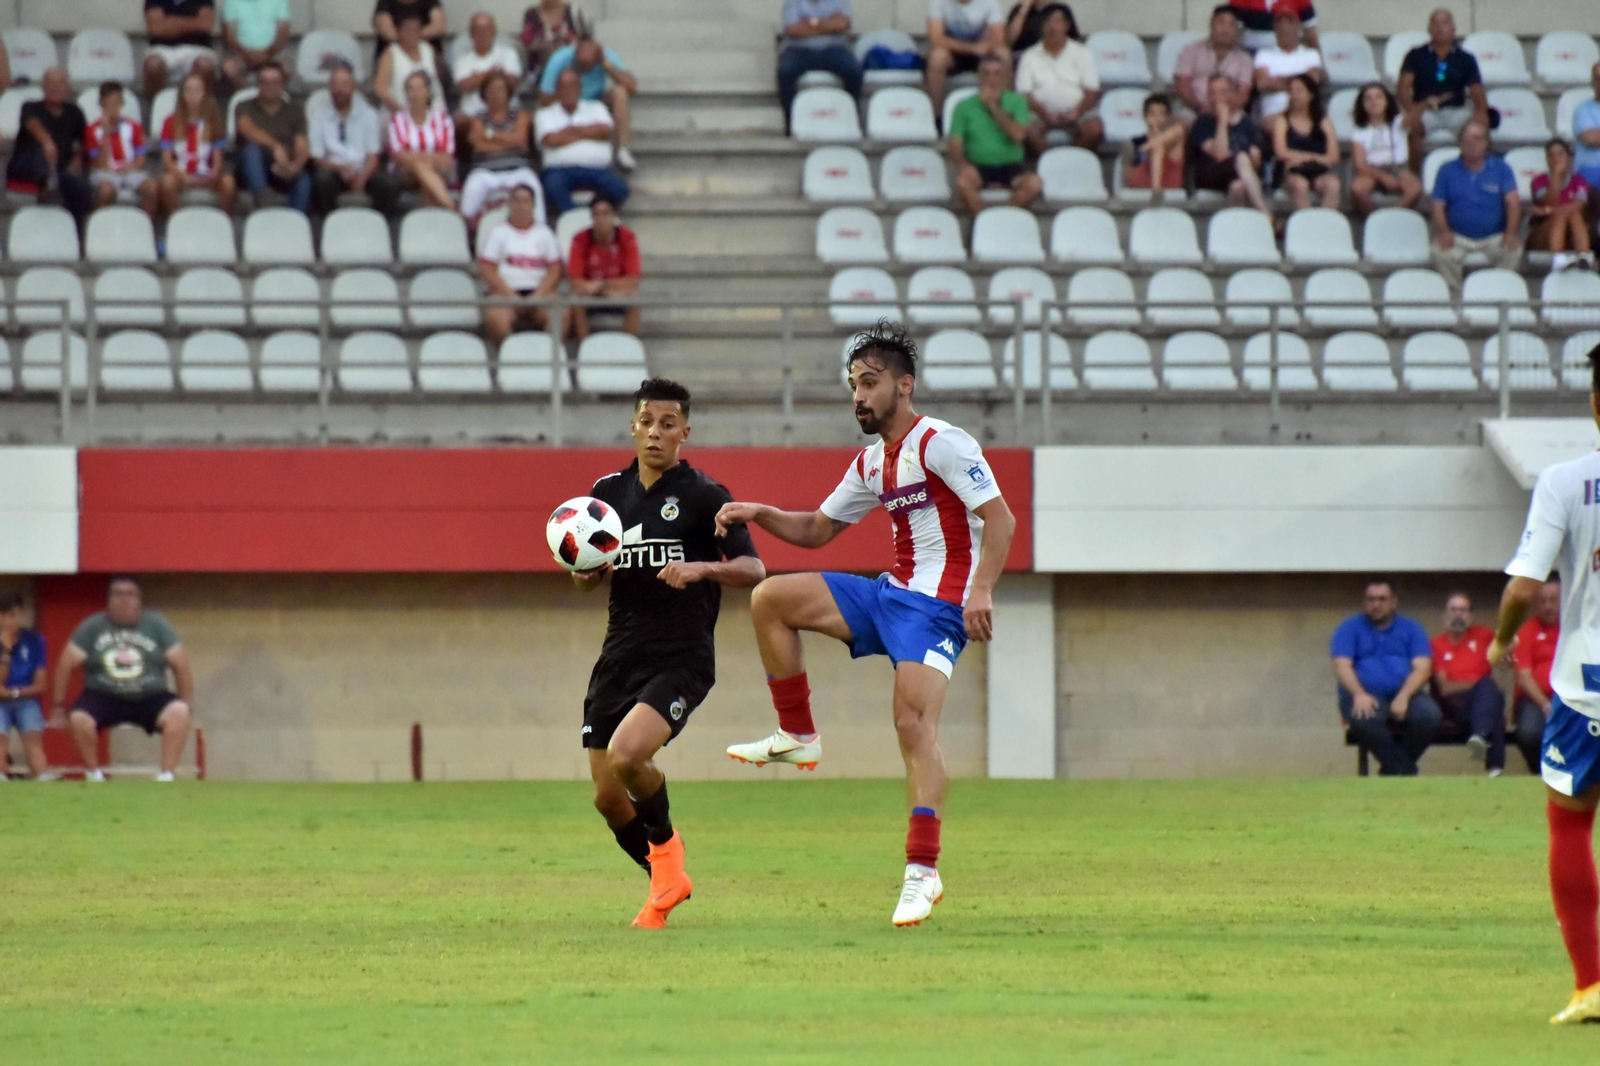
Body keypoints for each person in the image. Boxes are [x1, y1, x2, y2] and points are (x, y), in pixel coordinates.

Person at [718, 320, 1018, 927]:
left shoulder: (943, 443)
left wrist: (980, 591)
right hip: (890, 595)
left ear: (904, 386)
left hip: (937, 608)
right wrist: (760, 511)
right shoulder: (871, 462)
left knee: (911, 726)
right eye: (854, 384)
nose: (859, 395)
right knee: (771, 598)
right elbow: (817, 531)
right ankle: (799, 735)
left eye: (870, 382)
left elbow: (1001, 520)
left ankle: (922, 873)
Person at [573, 378, 765, 927]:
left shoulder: (707, 495)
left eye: (667, 423)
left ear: (685, 431)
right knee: (608, 799)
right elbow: (585, 583)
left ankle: (668, 862)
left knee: (628, 756)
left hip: (681, 656)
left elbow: (755, 569)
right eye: (646, 422)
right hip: (618, 656)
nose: (656, 432)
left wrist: (703, 567)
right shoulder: (606, 495)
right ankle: (666, 880)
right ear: (633, 426)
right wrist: (588, 573)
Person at [1484, 339, 1600, 1024]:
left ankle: (1591, 986)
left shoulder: (1564, 481)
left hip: (1585, 686)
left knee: (1569, 825)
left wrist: (1502, 640)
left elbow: (1526, 586)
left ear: (1593, 402)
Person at [49, 577, 195, 784]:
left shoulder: (157, 625)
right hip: (102, 695)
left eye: (130, 594)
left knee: (179, 712)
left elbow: (181, 664)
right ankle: (94, 774)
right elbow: (65, 664)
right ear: (109, 600)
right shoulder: (93, 626)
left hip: (150, 695)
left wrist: (187, 704)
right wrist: (58, 706)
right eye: (118, 594)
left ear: (139, 601)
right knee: (79, 718)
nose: (124, 600)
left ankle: (167, 775)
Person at [1330, 579, 1443, 777]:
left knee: (1430, 716)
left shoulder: (1411, 628)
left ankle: (1392, 770)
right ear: (1364, 602)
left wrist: (1404, 696)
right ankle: (1402, 770)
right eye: (1371, 599)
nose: (1376, 604)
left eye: (1382, 599)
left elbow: (1423, 668)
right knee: (1365, 718)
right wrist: (1358, 694)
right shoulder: (1349, 628)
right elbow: (1341, 665)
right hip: (1363, 694)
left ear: (1393, 602)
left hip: (1406, 693)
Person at [1428, 120, 1521, 291]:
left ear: (1486, 143)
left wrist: (1511, 233)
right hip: (1458, 237)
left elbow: (1513, 203)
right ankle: (1457, 296)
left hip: (1493, 237)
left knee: (1513, 250)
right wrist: (1443, 232)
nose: (1472, 143)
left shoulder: (1501, 168)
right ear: (1459, 143)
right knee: (1439, 251)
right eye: (1467, 138)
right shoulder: (1446, 170)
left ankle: (1497, 294)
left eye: (1477, 138)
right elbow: (1437, 205)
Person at [1398, 8, 1489, 178]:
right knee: (1413, 126)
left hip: (1457, 111)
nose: (1440, 28)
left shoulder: (1466, 59)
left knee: (1479, 127)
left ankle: (1477, 176)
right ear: (1429, 29)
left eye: (1445, 23)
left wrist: (1481, 114)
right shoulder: (1415, 55)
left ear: (1453, 29)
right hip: (1425, 111)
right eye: (1435, 23)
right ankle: (1415, 179)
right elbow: (1402, 89)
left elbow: (1477, 91)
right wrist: (1413, 112)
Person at [948, 54, 1042, 214]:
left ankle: (1003, 218)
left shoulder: (1018, 102)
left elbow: (1018, 135)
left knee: (1034, 184)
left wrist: (993, 106)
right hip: (978, 166)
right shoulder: (963, 106)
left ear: (1005, 78)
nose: (991, 79)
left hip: (1011, 167)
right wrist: (964, 166)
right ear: (978, 77)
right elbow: (954, 144)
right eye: (986, 73)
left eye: (997, 73)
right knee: (963, 183)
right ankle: (983, 222)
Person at [1430, 592, 1507, 776]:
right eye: (1453, 610)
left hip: (1481, 703)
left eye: (1463, 610)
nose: (1458, 615)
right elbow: (1445, 687)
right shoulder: (1436, 644)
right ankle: (1492, 763)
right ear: (1445, 615)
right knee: (1490, 693)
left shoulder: (1484, 635)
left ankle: (1481, 739)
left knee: (1490, 698)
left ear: (1470, 616)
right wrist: (1478, 682)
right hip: (1454, 705)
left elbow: (1508, 650)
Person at [536, 68, 630, 216]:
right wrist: (590, 132)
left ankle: (598, 218)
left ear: (579, 89)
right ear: (557, 90)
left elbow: (606, 131)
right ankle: (573, 219)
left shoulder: (596, 107)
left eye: (572, 86)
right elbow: (551, 139)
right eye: (564, 86)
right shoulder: (545, 114)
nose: (568, 91)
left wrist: (571, 131)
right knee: (552, 186)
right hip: (560, 171)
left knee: (619, 189)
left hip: (597, 169)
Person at [309, 63, 399, 217]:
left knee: (389, 185)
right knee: (321, 180)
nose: (339, 90)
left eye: (344, 84)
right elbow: (316, 158)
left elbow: (373, 155)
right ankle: (329, 224)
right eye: (335, 84)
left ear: (353, 87)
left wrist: (362, 178)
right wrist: (339, 168)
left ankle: (376, 225)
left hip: (363, 169)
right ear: (329, 87)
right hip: (333, 169)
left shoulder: (369, 114)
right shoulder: (319, 115)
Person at [478, 183, 562, 345]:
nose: (521, 206)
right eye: (516, 201)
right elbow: (487, 269)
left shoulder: (545, 233)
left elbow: (555, 269)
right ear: (509, 204)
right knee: (495, 317)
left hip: (540, 293)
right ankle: (511, 359)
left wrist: (538, 295)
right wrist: (510, 295)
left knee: (561, 314)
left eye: (526, 201)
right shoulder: (498, 232)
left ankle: (548, 358)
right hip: (505, 293)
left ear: (533, 205)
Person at [539, 34, 638, 171]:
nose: (586, 68)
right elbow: (544, 97)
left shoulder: (605, 56)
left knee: (620, 92)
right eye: (582, 64)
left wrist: (607, 64)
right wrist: (568, 86)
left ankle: (622, 150)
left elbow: (631, 86)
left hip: (596, 103)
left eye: (589, 65)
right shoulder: (559, 59)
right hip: (567, 103)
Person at [5, 68, 90, 227]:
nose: (55, 87)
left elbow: (85, 141)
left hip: (62, 170)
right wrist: (46, 142)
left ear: (68, 87)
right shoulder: (30, 107)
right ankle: (47, 187)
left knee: (82, 189)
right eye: (50, 83)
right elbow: (32, 124)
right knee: (41, 156)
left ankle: (75, 235)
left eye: (60, 83)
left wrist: (77, 160)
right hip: (29, 169)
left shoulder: (75, 112)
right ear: (43, 87)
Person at [1014, 3, 1101, 149]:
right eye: (1047, 22)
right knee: (1027, 128)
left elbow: (1092, 91)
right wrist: (1044, 112)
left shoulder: (1082, 53)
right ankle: (1049, 163)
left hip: (1077, 112)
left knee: (1094, 129)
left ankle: (1073, 160)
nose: (1051, 26)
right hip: (1039, 114)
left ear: (1067, 26)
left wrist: (1077, 111)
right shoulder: (1029, 56)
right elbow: (1024, 94)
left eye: (1057, 21)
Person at [461, 70, 543, 225]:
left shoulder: (521, 116)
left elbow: (520, 140)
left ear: (508, 93)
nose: (496, 94)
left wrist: (490, 134)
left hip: (518, 171)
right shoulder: (478, 119)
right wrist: (509, 140)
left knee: (533, 183)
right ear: (484, 94)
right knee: (473, 186)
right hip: (485, 172)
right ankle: (466, 230)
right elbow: (479, 146)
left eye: (500, 89)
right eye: (491, 90)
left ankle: (540, 226)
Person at [158, 70, 236, 221]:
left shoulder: (213, 121)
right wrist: (183, 176)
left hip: (206, 173)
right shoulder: (170, 122)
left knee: (228, 182)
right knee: (167, 183)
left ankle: (223, 222)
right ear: (182, 94)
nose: (193, 95)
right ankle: (178, 220)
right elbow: (167, 160)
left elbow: (218, 159)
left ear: (205, 94)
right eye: (188, 90)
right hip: (181, 174)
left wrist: (212, 175)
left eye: (198, 90)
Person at [234, 60, 310, 213]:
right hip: (250, 169)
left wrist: (295, 167)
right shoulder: (244, 106)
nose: (270, 87)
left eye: (275, 82)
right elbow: (245, 128)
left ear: (284, 84)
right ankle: (265, 205)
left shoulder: (295, 110)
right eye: (265, 82)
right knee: (251, 151)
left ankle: (294, 224)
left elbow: (302, 145)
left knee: (304, 180)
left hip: (284, 167)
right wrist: (276, 147)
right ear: (257, 84)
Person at [777, 0, 862, 134]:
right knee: (785, 72)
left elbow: (843, 24)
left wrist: (810, 23)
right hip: (799, 50)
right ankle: (790, 124)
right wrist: (828, 24)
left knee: (854, 71)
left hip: (833, 48)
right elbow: (792, 29)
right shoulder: (794, 2)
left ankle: (852, 118)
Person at [1187, 74, 1269, 211]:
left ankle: (1236, 228)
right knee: (1241, 157)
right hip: (1212, 174)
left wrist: (1252, 160)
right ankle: (1264, 211)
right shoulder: (1203, 123)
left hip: (1240, 176)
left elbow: (1256, 158)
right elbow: (1220, 155)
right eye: (1212, 93)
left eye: (1222, 92)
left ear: (1232, 94)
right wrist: (1222, 122)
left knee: (1238, 187)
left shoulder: (1247, 123)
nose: (1217, 98)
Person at [568, 193, 641, 339]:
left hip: (612, 291)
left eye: (605, 214)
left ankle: (627, 347)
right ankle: (585, 349)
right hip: (590, 293)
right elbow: (575, 281)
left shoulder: (627, 237)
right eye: (596, 215)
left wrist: (602, 286)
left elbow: (633, 279)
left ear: (615, 216)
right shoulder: (580, 239)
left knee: (635, 300)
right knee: (575, 300)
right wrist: (592, 289)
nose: (601, 219)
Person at [1511, 580, 1560, 776]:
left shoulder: (1574, 629)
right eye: (1542, 601)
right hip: (1534, 699)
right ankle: (1540, 771)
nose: (1547, 606)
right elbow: (1523, 675)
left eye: (1553, 600)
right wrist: (1545, 705)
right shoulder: (1527, 630)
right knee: (1529, 733)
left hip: (1571, 697)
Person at [86, 82, 158, 215]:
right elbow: (98, 164)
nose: (114, 108)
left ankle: (145, 226)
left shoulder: (134, 127)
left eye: (117, 103)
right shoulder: (92, 130)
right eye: (109, 104)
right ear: (101, 104)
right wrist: (106, 134)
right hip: (105, 173)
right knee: (105, 191)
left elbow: (141, 159)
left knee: (151, 187)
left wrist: (130, 167)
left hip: (130, 170)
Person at [1349, 82, 1422, 214]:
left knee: (1414, 187)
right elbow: (1360, 164)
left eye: (1378, 97)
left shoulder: (1398, 122)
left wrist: (1425, 102)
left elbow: (1412, 117)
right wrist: (1382, 176)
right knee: (1358, 189)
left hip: (1397, 167)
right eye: (1368, 98)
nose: (1374, 102)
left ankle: (1393, 216)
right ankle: (1373, 217)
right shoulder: (1359, 131)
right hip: (1372, 169)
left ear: (1387, 101)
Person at [388, 71, 456, 209]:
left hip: (438, 169)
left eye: (420, 88)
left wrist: (421, 160)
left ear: (428, 92)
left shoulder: (442, 119)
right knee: (419, 166)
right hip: (405, 173)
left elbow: (446, 157)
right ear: (406, 94)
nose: (415, 93)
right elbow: (399, 155)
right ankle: (452, 208)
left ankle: (436, 217)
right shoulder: (397, 120)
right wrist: (425, 160)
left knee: (423, 172)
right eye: (411, 89)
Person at [1269, 73, 1339, 209]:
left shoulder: (1324, 123)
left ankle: (1328, 225)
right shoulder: (1282, 121)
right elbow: (1281, 152)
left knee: (1333, 184)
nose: (1295, 95)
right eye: (1292, 91)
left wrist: (1306, 158)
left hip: (1317, 171)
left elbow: (1334, 156)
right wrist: (1317, 158)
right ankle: (1305, 225)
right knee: (1300, 185)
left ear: (1311, 95)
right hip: (1291, 171)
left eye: (1300, 90)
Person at [926, 0, 1007, 115]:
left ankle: (1007, 113)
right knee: (937, 57)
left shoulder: (989, 2)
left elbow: (999, 37)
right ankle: (937, 117)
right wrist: (972, 48)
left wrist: (984, 46)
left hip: (982, 52)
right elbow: (935, 38)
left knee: (1003, 54)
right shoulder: (938, 2)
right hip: (952, 53)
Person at [0, 591, 48, 781]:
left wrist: (14, 693)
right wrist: (6, 650)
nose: (16, 620)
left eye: (19, 615)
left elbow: (41, 684)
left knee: (34, 743)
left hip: (25, 698)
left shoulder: (35, 640)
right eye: (10, 616)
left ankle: (41, 776)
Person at [1173, 6, 1253, 118]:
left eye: (1231, 24)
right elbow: (1182, 84)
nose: (1225, 29)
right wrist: (1199, 107)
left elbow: (1243, 94)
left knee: (1242, 125)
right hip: (1192, 109)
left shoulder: (1244, 59)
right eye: (1221, 22)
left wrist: (1224, 112)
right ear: (1211, 24)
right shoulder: (1191, 51)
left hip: (1230, 111)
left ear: (1236, 30)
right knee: (1181, 125)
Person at [1528, 139, 1594, 272]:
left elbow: (1577, 206)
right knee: (1560, 216)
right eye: (1551, 155)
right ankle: (1558, 259)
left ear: (1568, 157)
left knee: (1573, 214)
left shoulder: (1579, 181)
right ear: (1547, 159)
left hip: (1570, 232)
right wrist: (1556, 177)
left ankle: (1584, 256)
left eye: (1560, 154)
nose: (1556, 158)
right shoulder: (1538, 181)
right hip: (1542, 233)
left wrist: (1547, 210)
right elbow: (1550, 200)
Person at [1251, 4, 1323, 121]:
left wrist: (1276, 81)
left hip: (1305, 115)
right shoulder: (1264, 54)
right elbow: (1262, 83)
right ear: (1275, 28)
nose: (1285, 28)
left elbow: (1313, 82)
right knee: (1280, 125)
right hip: (1273, 115)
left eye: (1290, 23)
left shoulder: (1311, 55)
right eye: (1280, 24)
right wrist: (1300, 84)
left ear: (1298, 27)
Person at [143, 0, 218, 102]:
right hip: (162, 48)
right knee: (153, 65)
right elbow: (156, 28)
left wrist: (169, 22)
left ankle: (201, 111)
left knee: (205, 66)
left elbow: (206, 24)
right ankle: (156, 108)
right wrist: (194, 22)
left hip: (197, 48)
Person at [454, 12, 524, 119]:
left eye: (487, 29)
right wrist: (495, 75)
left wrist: (478, 78)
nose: (483, 34)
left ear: (494, 32)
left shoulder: (508, 53)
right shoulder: (462, 60)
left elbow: (512, 81)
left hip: (507, 112)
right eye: (479, 30)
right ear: (471, 33)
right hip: (473, 114)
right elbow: (464, 85)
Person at [374, 12, 444, 114]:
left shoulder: (428, 49)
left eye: (416, 29)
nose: (413, 33)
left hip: (430, 114)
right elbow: (379, 89)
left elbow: (435, 84)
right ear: (398, 31)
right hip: (398, 113)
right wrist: (402, 112)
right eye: (408, 29)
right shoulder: (391, 54)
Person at [219, 0, 291, 91]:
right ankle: (248, 97)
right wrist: (247, 55)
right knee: (229, 67)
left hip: (272, 53)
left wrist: (267, 54)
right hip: (241, 54)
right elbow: (229, 37)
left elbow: (283, 33)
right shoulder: (231, 2)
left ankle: (276, 100)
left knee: (286, 67)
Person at [1124, 93, 1185, 198]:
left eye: (1161, 114)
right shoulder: (1134, 143)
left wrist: (1156, 138)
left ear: (1168, 118)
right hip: (1141, 193)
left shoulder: (1174, 142)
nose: (1156, 119)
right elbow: (1128, 174)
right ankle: (1155, 192)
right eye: (1152, 114)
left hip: (1171, 193)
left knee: (1158, 147)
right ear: (1145, 116)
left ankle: (1156, 191)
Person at [521, 0, 589, 80]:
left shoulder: (573, 12)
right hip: (541, 69)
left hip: (572, 68)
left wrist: (571, 39)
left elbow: (586, 42)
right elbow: (527, 43)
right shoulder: (531, 14)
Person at [372, 0, 447, 68]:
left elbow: (439, 27)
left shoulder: (431, 2)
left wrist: (407, 35)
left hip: (429, 58)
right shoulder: (385, 3)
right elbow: (388, 32)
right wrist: (417, 35)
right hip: (393, 59)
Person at [1229, 0, 1317, 53]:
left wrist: (1318, 61)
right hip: (1250, 53)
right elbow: (1232, 32)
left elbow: (1310, 33)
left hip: (1289, 53)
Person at [1575, 63, 1600, 190]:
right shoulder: (1583, 110)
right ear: (1592, 82)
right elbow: (1590, 139)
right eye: (1597, 78)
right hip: (1590, 171)